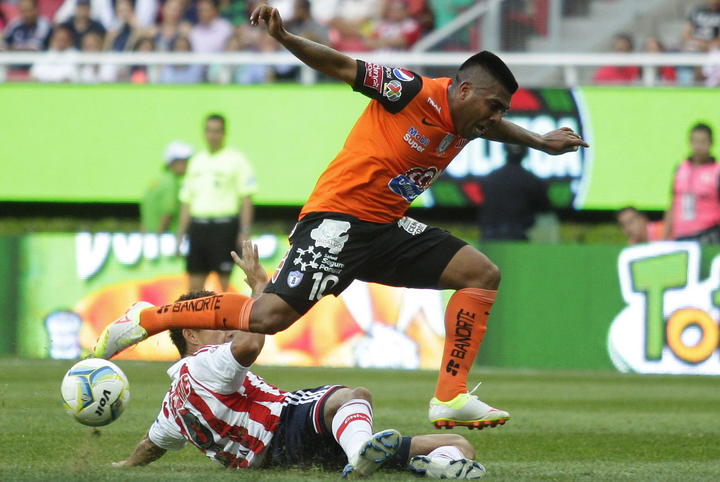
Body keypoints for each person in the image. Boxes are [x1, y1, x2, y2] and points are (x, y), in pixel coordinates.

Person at [94, 4, 587, 430]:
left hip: (387, 227)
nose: (496, 117)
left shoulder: (470, 121)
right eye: (494, 106)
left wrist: (540, 142)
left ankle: (450, 397)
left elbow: (495, 128)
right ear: (463, 90)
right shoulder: (411, 91)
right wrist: (285, 37)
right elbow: (341, 64)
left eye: (502, 111)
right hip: (339, 221)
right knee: (268, 317)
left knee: (481, 273)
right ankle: (147, 318)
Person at [112, 241, 487, 479]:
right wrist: (260, 289)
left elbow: (153, 443)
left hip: (283, 457)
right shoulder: (204, 362)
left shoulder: (174, 405)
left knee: (458, 445)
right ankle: (360, 452)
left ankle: (428, 466)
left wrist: (126, 465)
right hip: (284, 428)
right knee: (352, 396)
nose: (226, 328)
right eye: (216, 322)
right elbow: (249, 344)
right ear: (190, 335)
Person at [175, 113, 257, 291]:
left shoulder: (236, 160)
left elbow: (246, 198)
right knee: (194, 283)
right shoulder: (196, 161)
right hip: (198, 226)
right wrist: (180, 233)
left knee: (224, 283)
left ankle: (225, 311)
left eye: (217, 131)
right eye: (209, 131)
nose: (212, 136)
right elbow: (186, 200)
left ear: (224, 133)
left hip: (223, 227)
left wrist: (244, 231)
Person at [479, 144, 551, 241]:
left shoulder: (489, 178)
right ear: (525, 153)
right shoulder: (533, 180)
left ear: (505, 150)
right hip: (518, 238)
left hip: (489, 238)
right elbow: (546, 209)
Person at [663, 123, 720, 243]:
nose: (698, 146)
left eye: (702, 142)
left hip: (708, 235)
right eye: (695, 141)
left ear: (711, 143)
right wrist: (665, 238)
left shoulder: (716, 171)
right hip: (681, 236)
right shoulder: (680, 168)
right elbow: (672, 204)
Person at [140, 141, 194, 234]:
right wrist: (159, 237)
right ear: (172, 163)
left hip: (149, 236)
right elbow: (167, 214)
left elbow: (145, 218)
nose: (187, 165)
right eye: (184, 162)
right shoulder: (171, 184)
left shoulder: (157, 182)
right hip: (165, 238)